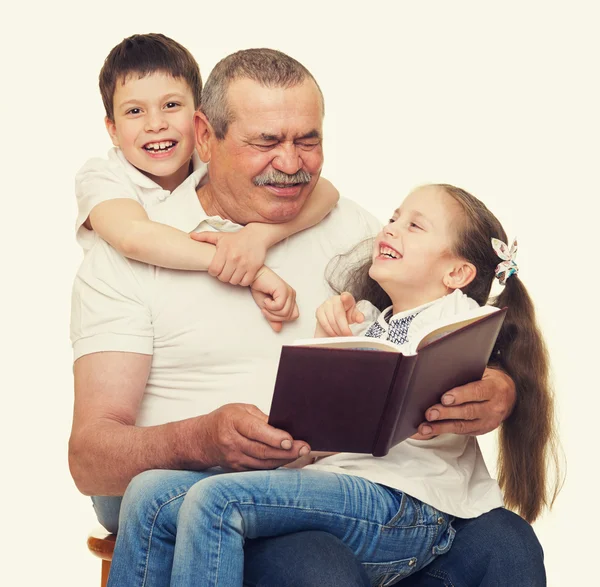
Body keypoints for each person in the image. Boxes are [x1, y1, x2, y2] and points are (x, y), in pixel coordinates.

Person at [69, 47, 544, 586]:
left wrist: (498, 387)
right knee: (315, 565)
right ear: (205, 135)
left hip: (365, 490)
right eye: (266, 142)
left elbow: (442, 316)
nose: (292, 164)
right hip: (234, 503)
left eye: (308, 140)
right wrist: (200, 440)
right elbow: (90, 458)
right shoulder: (134, 253)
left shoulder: (358, 232)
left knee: (507, 544)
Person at [108, 184, 559, 587]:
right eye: (394, 217)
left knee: (215, 503)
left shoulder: (456, 317)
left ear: (457, 275)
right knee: (148, 493)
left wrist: (498, 379)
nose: (392, 228)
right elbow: (323, 443)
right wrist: (333, 349)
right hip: (342, 490)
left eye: (415, 225)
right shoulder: (369, 324)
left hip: (402, 504)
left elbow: (483, 350)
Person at [76, 33, 341, 333]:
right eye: (135, 111)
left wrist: (259, 237)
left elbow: (327, 192)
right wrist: (250, 270)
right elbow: (133, 237)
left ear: (201, 118)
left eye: (171, 105)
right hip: (134, 317)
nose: (155, 124)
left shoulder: (212, 161)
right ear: (112, 129)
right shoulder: (102, 177)